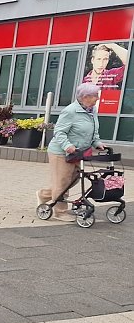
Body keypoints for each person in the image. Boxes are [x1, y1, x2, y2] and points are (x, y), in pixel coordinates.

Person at [37, 82, 106, 222]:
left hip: (79, 153)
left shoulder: (91, 111)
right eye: (95, 96)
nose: (97, 99)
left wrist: (97, 142)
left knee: (72, 180)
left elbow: (93, 131)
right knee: (62, 182)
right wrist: (67, 145)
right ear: (85, 97)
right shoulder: (70, 111)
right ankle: (60, 211)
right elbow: (59, 132)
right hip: (61, 152)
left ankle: (44, 195)